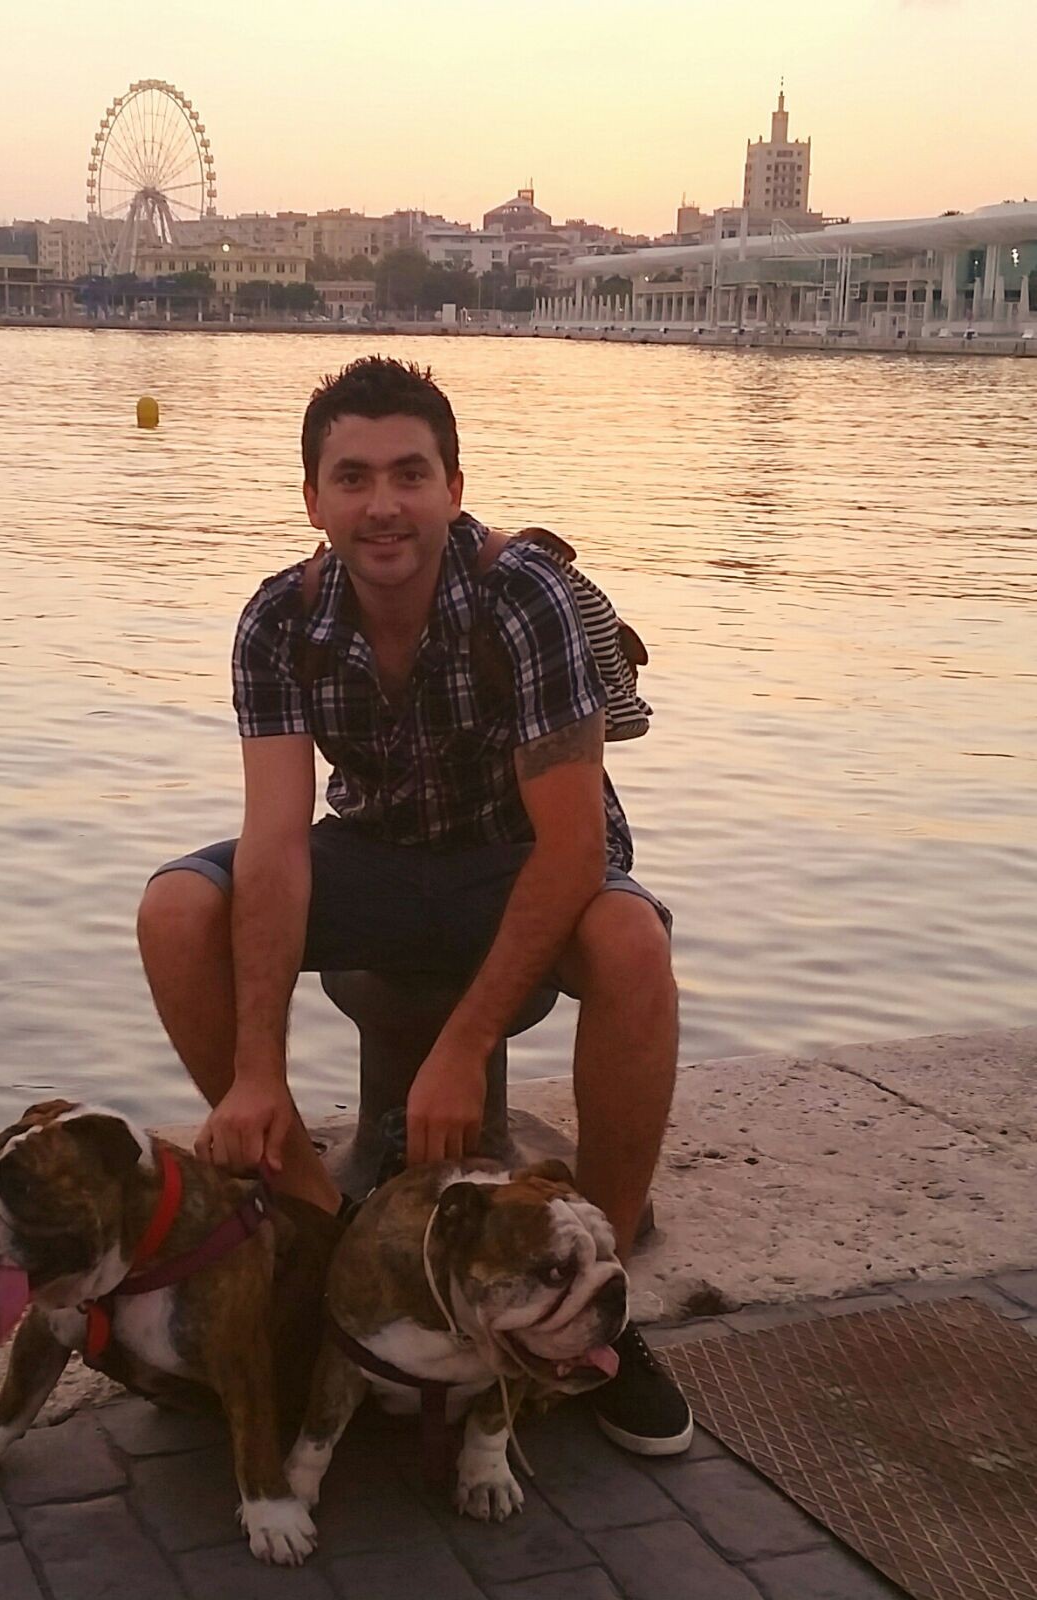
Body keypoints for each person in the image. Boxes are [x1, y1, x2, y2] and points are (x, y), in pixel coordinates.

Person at [136, 356, 691, 1455]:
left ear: (452, 486)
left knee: (633, 941)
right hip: (377, 853)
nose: (382, 504)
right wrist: (256, 1070)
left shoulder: (522, 595)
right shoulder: (280, 618)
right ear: (314, 499)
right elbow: (278, 840)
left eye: (409, 473)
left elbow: (573, 845)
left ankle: (602, 1297)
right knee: (176, 910)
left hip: (515, 856)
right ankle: (316, 1225)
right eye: (353, 478)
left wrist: (463, 1046)